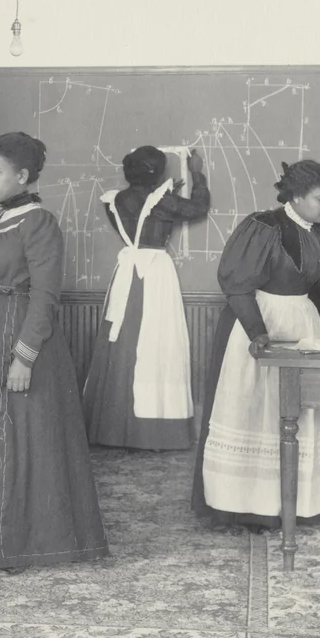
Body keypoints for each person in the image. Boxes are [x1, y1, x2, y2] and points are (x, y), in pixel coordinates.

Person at [0, 132, 109, 572]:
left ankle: (19, 544)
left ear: (22, 176)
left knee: (22, 440)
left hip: (24, 335)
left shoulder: (39, 223)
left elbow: (44, 296)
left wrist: (24, 356)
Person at [192, 159, 320, 527]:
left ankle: (296, 502)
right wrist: (258, 332)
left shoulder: (319, 233)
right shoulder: (264, 226)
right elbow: (237, 283)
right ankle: (244, 505)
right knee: (254, 407)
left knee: (296, 410)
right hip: (258, 321)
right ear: (297, 196)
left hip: (302, 323)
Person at [82, 146, 211, 450]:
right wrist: (196, 173)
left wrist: (162, 196)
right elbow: (198, 208)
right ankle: (150, 433)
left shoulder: (113, 201)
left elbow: (143, 210)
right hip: (153, 276)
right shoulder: (162, 203)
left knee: (122, 344)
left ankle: (110, 428)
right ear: (155, 174)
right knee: (155, 346)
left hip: (127, 273)